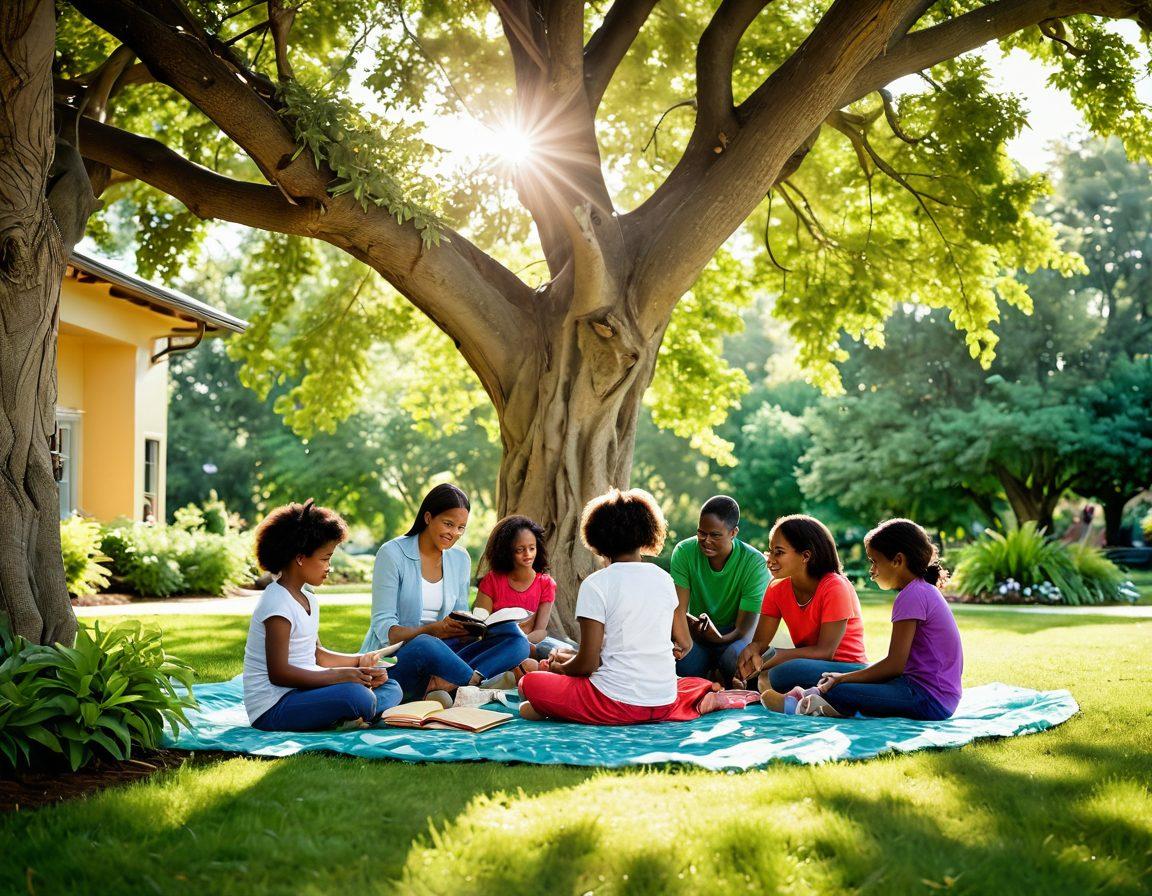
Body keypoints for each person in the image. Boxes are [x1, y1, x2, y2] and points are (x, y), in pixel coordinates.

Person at [518, 488, 758, 725]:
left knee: (528, 684)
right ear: (646, 534)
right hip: (663, 702)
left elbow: (588, 664)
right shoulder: (663, 578)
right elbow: (685, 645)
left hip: (614, 703)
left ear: (598, 538)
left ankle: (555, 706)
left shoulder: (595, 584)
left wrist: (560, 667)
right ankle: (700, 697)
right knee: (683, 685)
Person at [764, 518, 964, 720]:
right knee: (841, 685)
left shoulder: (912, 596)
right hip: (919, 688)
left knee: (838, 689)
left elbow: (894, 665)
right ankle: (811, 698)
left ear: (898, 561)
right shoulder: (921, 590)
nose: (872, 571)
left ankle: (804, 705)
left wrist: (843, 678)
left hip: (929, 699)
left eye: (875, 562)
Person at [360, 483, 531, 703]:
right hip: (401, 655)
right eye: (448, 524)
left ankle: (444, 685)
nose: (454, 533)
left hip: (447, 654)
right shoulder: (392, 554)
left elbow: (459, 614)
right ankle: (475, 684)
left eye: (461, 528)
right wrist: (433, 629)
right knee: (425, 642)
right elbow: (385, 631)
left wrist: (472, 628)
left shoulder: (460, 558)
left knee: (516, 639)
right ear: (428, 517)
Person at [243, 500, 402, 731]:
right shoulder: (276, 601)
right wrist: (340, 677)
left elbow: (317, 654)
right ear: (300, 558)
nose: (330, 566)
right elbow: (279, 673)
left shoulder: (308, 598)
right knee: (358, 696)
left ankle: (352, 717)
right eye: (325, 559)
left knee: (392, 686)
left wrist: (360, 665)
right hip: (274, 707)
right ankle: (360, 713)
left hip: (304, 692)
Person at [736, 514, 868, 693]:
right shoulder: (777, 588)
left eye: (779, 552)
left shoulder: (835, 587)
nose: (770, 559)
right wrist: (753, 652)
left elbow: (825, 652)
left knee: (782, 673)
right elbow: (760, 642)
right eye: (771, 550)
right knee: (753, 673)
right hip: (807, 666)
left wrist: (775, 656)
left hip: (846, 669)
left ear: (805, 556)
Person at [669, 496, 770, 685]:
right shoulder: (684, 551)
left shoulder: (754, 563)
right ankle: (710, 675)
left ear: (733, 533)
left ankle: (721, 675)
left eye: (715, 535)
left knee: (735, 660)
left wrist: (719, 639)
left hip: (734, 636)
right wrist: (684, 643)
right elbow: (678, 610)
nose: (706, 541)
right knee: (681, 666)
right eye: (701, 533)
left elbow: (743, 630)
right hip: (698, 635)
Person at [476, 515, 571, 660]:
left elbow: (540, 631)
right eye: (520, 550)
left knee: (567, 652)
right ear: (507, 552)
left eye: (532, 548)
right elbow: (480, 626)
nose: (528, 554)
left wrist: (520, 643)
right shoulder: (492, 580)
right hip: (495, 646)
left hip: (528, 645)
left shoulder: (545, 583)